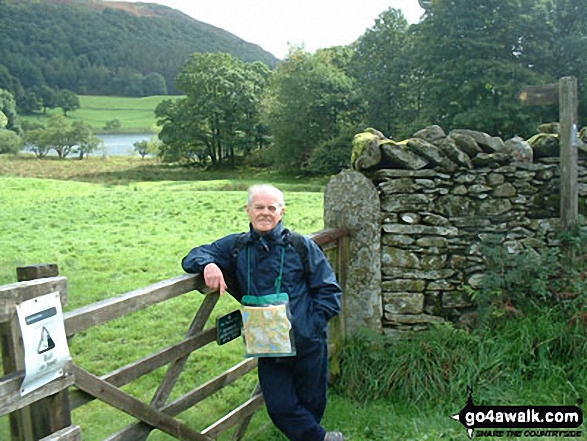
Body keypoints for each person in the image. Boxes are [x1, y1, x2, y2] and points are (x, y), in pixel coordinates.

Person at [181, 184, 345, 441]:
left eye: (272, 207)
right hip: (268, 346)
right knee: (280, 408)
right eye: (259, 207)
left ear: (282, 212)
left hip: (307, 344)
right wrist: (209, 264)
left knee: (311, 407)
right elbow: (194, 255)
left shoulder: (301, 245)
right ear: (248, 210)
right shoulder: (237, 246)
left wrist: (310, 326)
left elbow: (329, 291)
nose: (265, 213)